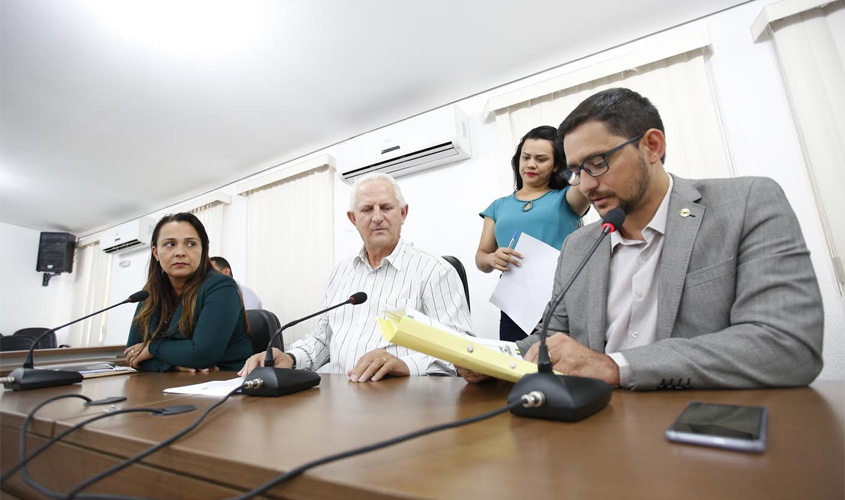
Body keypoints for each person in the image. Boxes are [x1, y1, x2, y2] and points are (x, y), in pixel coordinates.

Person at [464, 87, 824, 390]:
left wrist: (614, 366)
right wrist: (487, 358)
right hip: (590, 430)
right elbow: (547, 337)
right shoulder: (579, 246)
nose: (586, 185)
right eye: (576, 171)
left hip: (702, 431)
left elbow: (787, 346)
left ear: (652, 146)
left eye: (598, 162)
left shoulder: (746, 203)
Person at [240, 172, 474, 382]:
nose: (377, 217)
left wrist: (405, 365)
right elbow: (322, 341)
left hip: (404, 396)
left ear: (403, 213)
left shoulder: (435, 270)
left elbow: (464, 353)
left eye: (386, 207)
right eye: (366, 209)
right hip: (340, 397)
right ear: (353, 219)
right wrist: (290, 358)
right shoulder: (339, 273)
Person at [476, 125, 589, 341]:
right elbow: (481, 258)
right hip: (514, 302)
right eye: (525, 157)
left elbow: (585, 175)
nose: (531, 164)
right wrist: (492, 258)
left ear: (557, 165)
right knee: (518, 368)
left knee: (562, 366)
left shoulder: (567, 197)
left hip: (560, 299)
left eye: (541, 159)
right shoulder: (497, 206)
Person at [125, 213, 253, 372]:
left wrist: (152, 348)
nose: (180, 252)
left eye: (191, 244)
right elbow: (132, 353)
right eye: (170, 244)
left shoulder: (221, 286)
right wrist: (173, 365)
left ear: (203, 251)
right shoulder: (149, 293)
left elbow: (203, 354)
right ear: (156, 252)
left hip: (225, 382)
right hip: (170, 383)